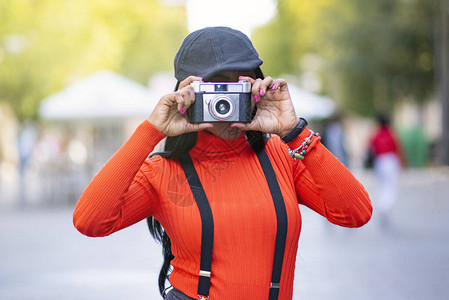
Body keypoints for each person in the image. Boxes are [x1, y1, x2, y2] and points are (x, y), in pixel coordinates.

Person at [73, 27, 372, 300]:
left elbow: (356, 213)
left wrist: (295, 132)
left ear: (257, 86)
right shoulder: (165, 174)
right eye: (214, 88)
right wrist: (151, 131)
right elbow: (90, 220)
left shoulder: (281, 157)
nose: (224, 102)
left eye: (236, 85)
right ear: (187, 93)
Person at [368, 113, 405, 229]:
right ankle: (386, 206)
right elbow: (398, 147)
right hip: (391, 161)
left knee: (382, 185)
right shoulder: (391, 133)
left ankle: (382, 205)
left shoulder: (376, 134)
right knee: (391, 186)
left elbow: (370, 148)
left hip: (380, 161)